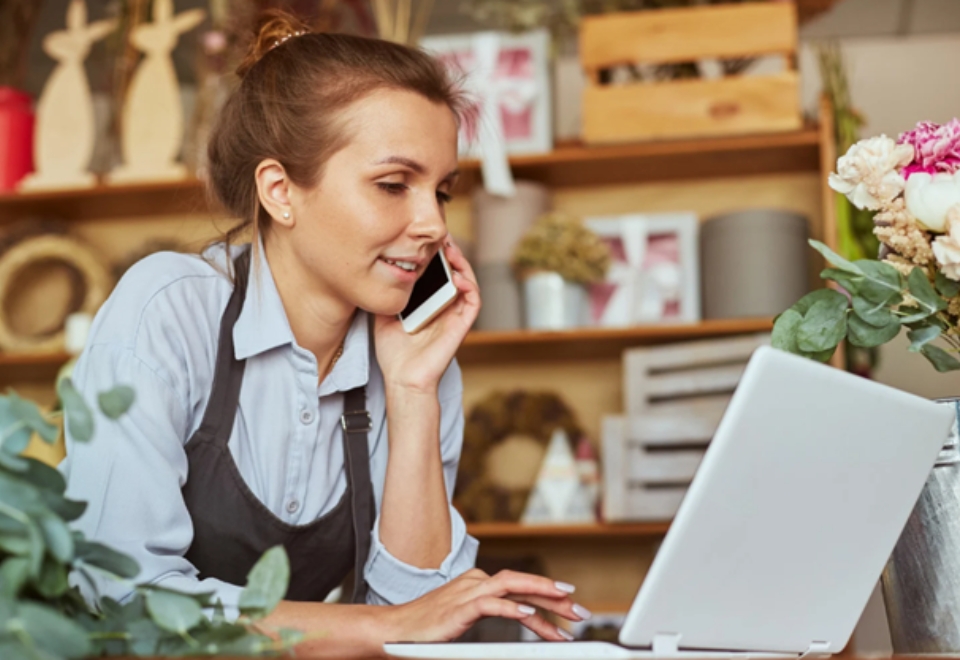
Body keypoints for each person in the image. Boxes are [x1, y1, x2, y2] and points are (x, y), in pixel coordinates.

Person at [61, 10, 588, 658]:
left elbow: (422, 623)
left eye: (442, 191)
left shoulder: (413, 353)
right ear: (281, 191)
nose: (431, 224)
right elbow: (121, 600)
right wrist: (379, 629)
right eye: (394, 185)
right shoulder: (168, 311)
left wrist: (414, 390)